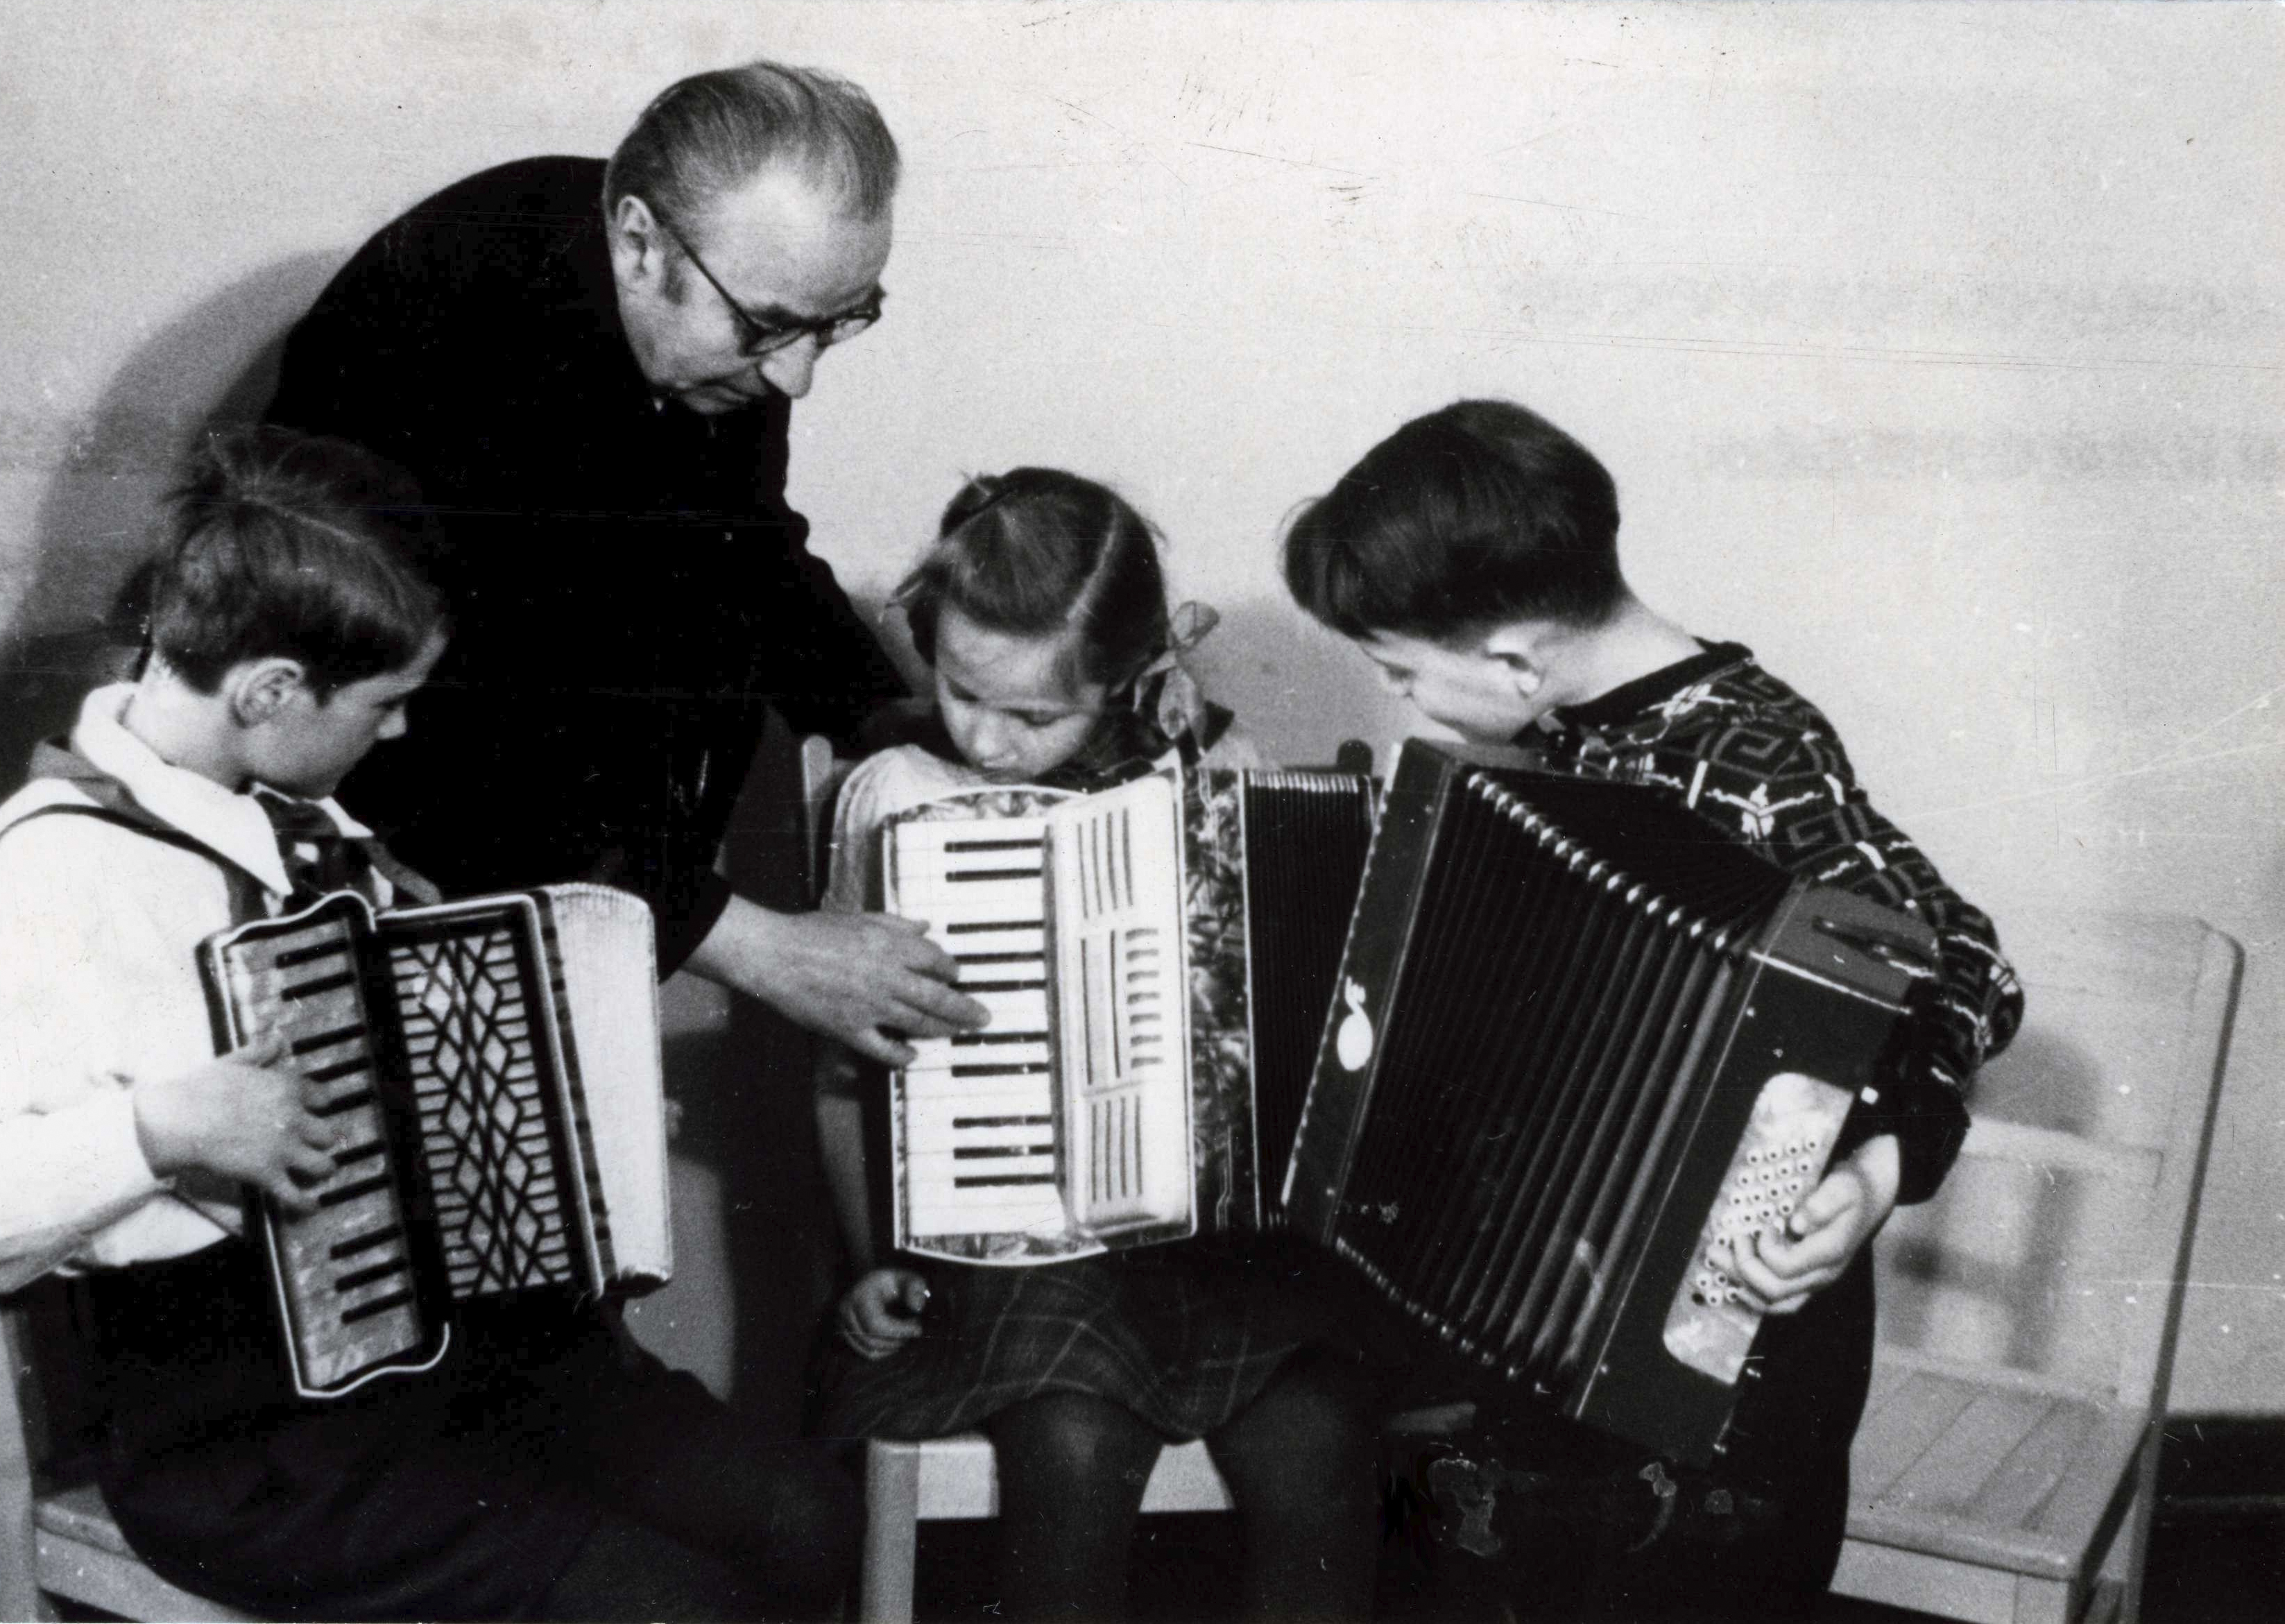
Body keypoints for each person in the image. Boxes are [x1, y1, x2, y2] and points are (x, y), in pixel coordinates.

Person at [0, 427, 860, 1621]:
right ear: (271, 691)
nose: (396, 734)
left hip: (456, 1375)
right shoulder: (48, 879)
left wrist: (551, 1114)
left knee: (806, 1515)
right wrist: (157, 1131)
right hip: (249, 1445)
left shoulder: (292, 814)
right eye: (384, 703)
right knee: (671, 1605)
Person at [1281, 398, 2025, 1621]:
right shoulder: (1573, 732)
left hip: (1738, 1345)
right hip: (1576, 1326)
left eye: (1398, 668)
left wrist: (1885, 1168)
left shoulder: (1757, 753)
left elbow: (1971, 971)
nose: (1399, 696)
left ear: (1515, 657)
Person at [264, 61, 981, 1072]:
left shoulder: (729, 294)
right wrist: (758, 945)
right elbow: (451, 749)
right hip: (416, 896)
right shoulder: (457, 337)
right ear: (639, 243)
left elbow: (746, 540)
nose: (797, 375)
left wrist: (878, 711)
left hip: (597, 884)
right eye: (771, 328)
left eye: (836, 323)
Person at [811, 470, 1382, 1622]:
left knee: (1322, 1435)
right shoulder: (894, 795)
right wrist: (869, 1259)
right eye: (960, 690)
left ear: (1129, 679)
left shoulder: (1217, 771)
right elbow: (834, 1076)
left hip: (1198, 1251)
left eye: (1034, 716)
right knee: (1072, 1445)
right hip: (993, 1253)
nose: (984, 737)